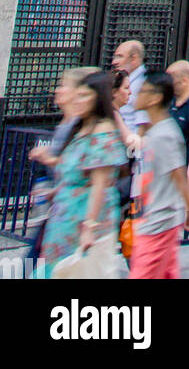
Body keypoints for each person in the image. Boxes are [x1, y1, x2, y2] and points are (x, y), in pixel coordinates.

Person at [38, 71, 127, 276]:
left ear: (98, 99)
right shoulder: (80, 129)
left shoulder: (102, 131)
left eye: (84, 96)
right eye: (77, 95)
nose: (77, 101)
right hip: (65, 216)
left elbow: (99, 183)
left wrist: (90, 227)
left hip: (83, 218)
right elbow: (76, 169)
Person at [128, 71, 189, 279]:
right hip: (151, 219)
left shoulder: (165, 134)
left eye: (142, 91)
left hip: (159, 222)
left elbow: (180, 178)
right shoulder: (153, 131)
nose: (136, 95)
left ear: (155, 97)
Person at [112, 39, 149, 133]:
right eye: (115, 57)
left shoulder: (144, 85)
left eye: (120, 56)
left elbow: (143, 126)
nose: (114, 62)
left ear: (134, 59)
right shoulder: (129, 80)